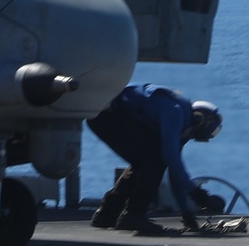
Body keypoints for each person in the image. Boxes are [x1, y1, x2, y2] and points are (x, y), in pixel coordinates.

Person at [87, 84, 223, 236]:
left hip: (103, 117)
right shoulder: (175, 112)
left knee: (146, 160)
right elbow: (171, 159)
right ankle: (134, 215)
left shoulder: (182, 125)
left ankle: (107, 214)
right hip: (108, 115)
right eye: (211, 127)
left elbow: (174, 171)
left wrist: (186, 212)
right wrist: (195, 192)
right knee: (155, 158)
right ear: (200, 118)